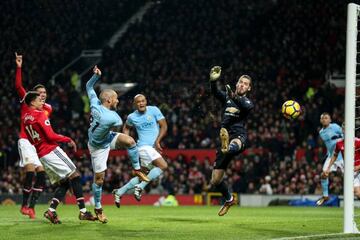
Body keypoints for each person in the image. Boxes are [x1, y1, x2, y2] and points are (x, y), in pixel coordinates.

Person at [86, 66, 149, 222]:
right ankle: (98, 208)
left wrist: (96, 77)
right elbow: (119, 122)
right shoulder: (112, 117)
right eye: (116, 98)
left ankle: (136, 170)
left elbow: (88, 87)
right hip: (98, 147)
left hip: (106, 137)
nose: (118, 100)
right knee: (99, 179)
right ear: (109, 100)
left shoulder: (95, 103)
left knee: (130, 141)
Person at [22, 91, 96, 224]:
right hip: (51, 150)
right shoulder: (40, 115)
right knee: (75, 175)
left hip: (42, 155)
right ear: (32, 102)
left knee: (65, 183)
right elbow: (51, 136)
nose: (42, 102)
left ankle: (51, 210)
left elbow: (30, 138)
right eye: (39, 100)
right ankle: (83, 212)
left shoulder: (25, 118)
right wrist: (68, 139)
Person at [205, 66, 253, 216]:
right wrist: (213, 81)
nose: (242, 85)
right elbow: (214, 92)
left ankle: (228, 148)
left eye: (245, 84)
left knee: (234, 144)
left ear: (249, 88)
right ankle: (229, 199)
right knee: (215, 181)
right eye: (240, 82)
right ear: (237, 83)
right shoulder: (227, 97)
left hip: (239, 136)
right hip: (224, 137)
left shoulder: (247, 102)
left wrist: (234, 97)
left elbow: (245, 107)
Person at [15, 52, 52, 219]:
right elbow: (18, 86)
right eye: (39, 93)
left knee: (42, 174)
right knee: (30, 172)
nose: (43, 95)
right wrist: (19, 67)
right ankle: (24, 205)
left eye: (44, 92)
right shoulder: (26, 104)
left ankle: (31, 207)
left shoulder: (48, 109)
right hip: (25, 141)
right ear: (33, 97)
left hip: (37, 146)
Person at [112, 94, 168, 206]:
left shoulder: (154, 110)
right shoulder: (132, 117)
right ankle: (140, 187)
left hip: (152, 148)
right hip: (143, 147)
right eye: (138, 102)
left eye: (143, 101)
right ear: (135, 104)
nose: (141, 103)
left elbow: (164, 126)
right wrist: (127, 142)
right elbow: (126, 129)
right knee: (163, 166)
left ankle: (119, 192)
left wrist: (158, 141)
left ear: (146, 101)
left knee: (143, 175)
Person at [324, 124, 360, 199]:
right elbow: (335, 155)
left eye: (347, 129)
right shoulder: (339, 143)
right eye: (344, 129)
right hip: (352, 171)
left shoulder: (358, 142)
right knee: (357, 193)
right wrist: (328, 167)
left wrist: (359, 166)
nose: (345, 131)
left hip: (358, 168)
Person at [316, 113, 344, 206]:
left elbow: (345, 135)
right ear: (320, 120)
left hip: (342, 156)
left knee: (351, 177)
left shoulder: (335, 127)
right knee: (324, 174)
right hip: (331, 156)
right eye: (322, 118)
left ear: (330, 120)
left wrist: (339, 137)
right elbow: (329, 145)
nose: (324, 119)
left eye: (326, 118)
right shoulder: (321, 132)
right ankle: (325, 196)